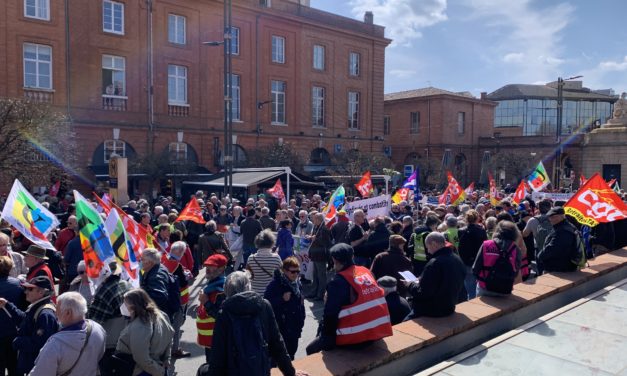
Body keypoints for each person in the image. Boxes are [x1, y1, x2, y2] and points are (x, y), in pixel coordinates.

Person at [306, 243, 393, 354]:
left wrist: (326, 339)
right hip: (376, 332)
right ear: (352, 256)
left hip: (354, 338)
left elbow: (330, 315)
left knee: (310, 349)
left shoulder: (338, 282)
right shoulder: (366, 272)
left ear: (334, 259)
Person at [209, 271, 297, 375]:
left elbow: (218, 355)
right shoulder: (264, 305)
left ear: (226, 290)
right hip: (261, 370)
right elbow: (277, 344)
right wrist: (291, 372)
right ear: (249, 286)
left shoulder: (224, 313)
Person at [29, 292, 106, 375]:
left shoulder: (55, 344)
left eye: (57, 308)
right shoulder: (98, 329)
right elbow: (99, 357)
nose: (55, 312)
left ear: (68, 313)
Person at [2, 276, 59, 375]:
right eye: (25, 288)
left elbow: (40, 344)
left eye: (30, 289)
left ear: (41, 292)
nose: (25, 292)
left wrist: (17, 341)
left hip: (35, 368)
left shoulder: (45, 314)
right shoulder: (37, 306)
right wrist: (7, 305)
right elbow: (24, 320)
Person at [114, 288, 174, 376]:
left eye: (125, 303)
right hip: (158, 366)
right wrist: (166, 359)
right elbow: (169, 339)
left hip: (143, 371)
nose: (123, 306)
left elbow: (141, 358)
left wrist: (159, 372)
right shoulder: (162, 315)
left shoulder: (140, 325)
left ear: (134, 306)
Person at [406, 232, 466, 318]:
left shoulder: (435, 263)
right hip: (450, 305)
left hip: (432, 310)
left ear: (434, 244)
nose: (428, 251)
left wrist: (410, 284)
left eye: (428, 248)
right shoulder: (456, 258)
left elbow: (423, 292)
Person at [87, 262, 130, 375]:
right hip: (127, 339)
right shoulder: (127, 284)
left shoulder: (104, 292)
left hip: (109, 343)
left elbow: (93, 322)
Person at [264, 257, 306, 360]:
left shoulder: (297, 283)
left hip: (295, 326)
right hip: (282, 327)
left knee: (292, 352)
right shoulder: (275, 284)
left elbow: (300, 304)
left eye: (298, 271)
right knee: (280, 356)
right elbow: (266, 303)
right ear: (284, 270)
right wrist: (281, 299)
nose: (295, 274)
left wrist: (302, 319)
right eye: (292, 272)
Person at [472, 221, 522, 296]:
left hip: (484, 287)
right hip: (505, 289)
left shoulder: (486, 244)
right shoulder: (516, 249)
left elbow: (475, 268)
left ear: (497, 231)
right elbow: (515, 273)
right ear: (514, 234)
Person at [161, 241, 193, 359]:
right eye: (183, 252)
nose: (183, 254)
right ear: (179, 252)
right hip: (179, 299)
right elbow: (183, 281)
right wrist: (187, 275)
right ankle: (174, 350)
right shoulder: (176, 265)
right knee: (177, 325)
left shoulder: (164, 258)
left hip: (168, 297)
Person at [197, 254, 228, 363]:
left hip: (217, 340)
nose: (207, 269)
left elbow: (220, 315)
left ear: (221, 269)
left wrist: (205, 302)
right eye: (206, 266)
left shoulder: (221, 290)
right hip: (210, 340)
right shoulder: (212, 285)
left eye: (211, 266)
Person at [0, 256, 26, 376]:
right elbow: (24, 308)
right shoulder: (19, 284)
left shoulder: (17, 284)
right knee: (13, 364)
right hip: (13, 331)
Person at [537, 206, 581, 273]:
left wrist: (540, 256)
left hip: (559, 268)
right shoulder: (564, 226)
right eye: (549, 217)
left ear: (562, 216)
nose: (550, 219)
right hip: (562, 266)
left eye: (553, 217)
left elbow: (553, 248)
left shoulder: (563, 230)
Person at [458, 210, 488, 299]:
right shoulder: (481, 230)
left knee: (470, 289)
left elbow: (461, 247)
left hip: (466, 261)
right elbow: (484, 246)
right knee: (479, 285)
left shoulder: (461, 231)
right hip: (478, 261)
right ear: (477, 218)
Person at [139, 248, 173, 319]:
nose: (140, 261)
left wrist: (141, 300)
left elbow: (160, 296)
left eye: (142, 259)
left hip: (161, 315)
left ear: (150, 262)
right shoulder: (153, 269)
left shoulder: (156, 276)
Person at [306, 213, 333, 301]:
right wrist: (311, 237)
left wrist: (314, 239)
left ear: (319, 219)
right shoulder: (316, 227)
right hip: (315, 255)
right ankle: (314, 292)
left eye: (314, 219)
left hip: (321, 255)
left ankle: (320, 294)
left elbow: (326, 242)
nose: (313, 221)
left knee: (321, 276)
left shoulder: (324, 229)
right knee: (315, 275)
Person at [247, 229, 283, 295]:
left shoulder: (251, 258)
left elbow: (249, 276)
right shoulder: (276, 258)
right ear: (272, 242)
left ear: (257, 242)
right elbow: (282, 276)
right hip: (270, 293)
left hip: (254, 293)